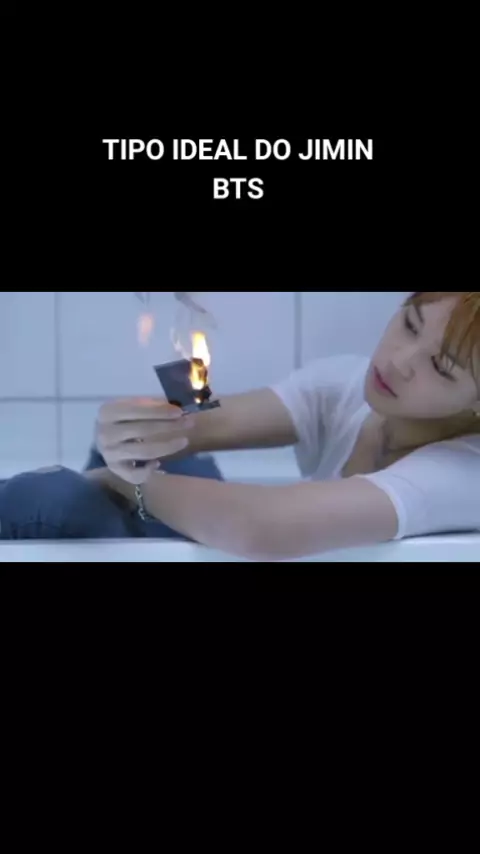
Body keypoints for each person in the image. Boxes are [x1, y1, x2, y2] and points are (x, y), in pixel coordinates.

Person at [1, 292, 479, 557]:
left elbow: (260, 527)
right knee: (148, 456)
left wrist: (118, 479)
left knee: (54, 499)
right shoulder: (347, 384)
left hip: (258, 536)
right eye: (410, 325)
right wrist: (135, 421)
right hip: (243, 531)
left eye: (441, 367)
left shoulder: (466, 472)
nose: (398, 362)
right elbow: (198, 426)